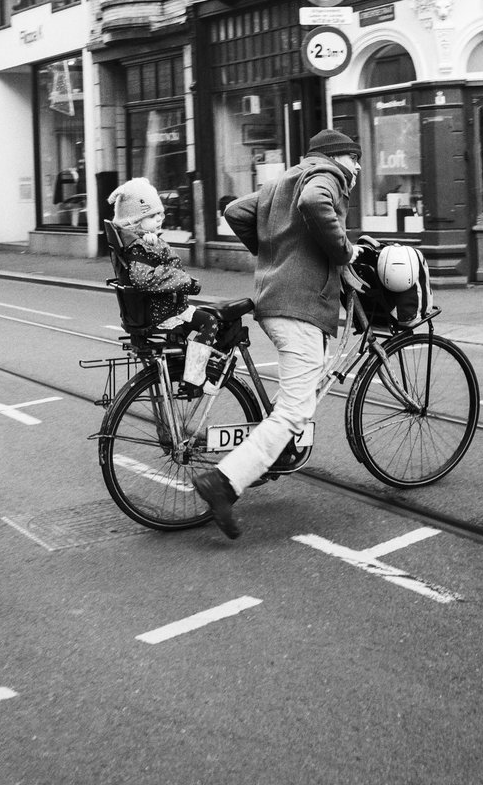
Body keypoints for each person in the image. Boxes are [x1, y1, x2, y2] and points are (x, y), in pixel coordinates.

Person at [192, 128, 362, 539]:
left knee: (303, 384)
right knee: (294, 409)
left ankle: (278, 446)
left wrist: (274, 255)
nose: (357, 167)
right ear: (338, 157)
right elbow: (314, 202)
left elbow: (235, 212)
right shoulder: (326, 178)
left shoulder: (283, 178)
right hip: (299, 306)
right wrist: (344, 251)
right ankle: (225, 482)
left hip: (273, 300)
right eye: (354, 158)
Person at [107, 178, 200, 327]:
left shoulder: (138, 242)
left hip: (159, 307)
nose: (159, 219)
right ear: (133, 221)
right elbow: (144, 278)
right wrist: (185, 280)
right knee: (209, 322)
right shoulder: (138, 247)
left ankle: (190, 350)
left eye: (159, 214)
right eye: (151, 216)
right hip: (162, 310)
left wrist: (149, 238)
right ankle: (197, 352)